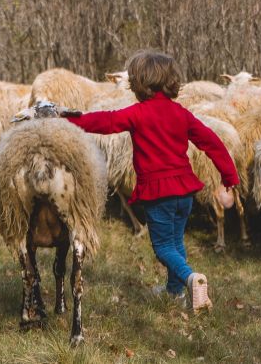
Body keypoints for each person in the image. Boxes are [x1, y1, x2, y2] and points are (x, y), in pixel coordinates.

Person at [63, 49, 240, 312]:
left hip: (159, 194)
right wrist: (229, 175)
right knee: (177, 242)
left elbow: (106, 122)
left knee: (163, 247)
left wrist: (69, 119)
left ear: (139, 84)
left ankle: (191, 279)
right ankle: (174, 291)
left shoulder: (138, 113)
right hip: (184, 192)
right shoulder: (181, 113)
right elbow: (211, 141)